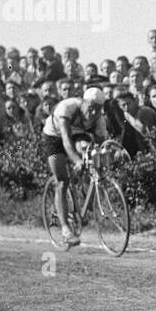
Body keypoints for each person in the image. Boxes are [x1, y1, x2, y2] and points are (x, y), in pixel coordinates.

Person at [41, 85, 109, 245]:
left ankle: (86, 200)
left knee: (89, 151)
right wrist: (77, 160)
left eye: (97, 109)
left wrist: (99, 162)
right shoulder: (66, 108)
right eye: (90, 108)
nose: (93, 113)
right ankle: (65, 230)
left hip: (77, 133)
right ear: (82, 103)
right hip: (54, 136)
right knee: (62, 181)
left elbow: (101, 145)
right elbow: (65, 140)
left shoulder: (99, 119)